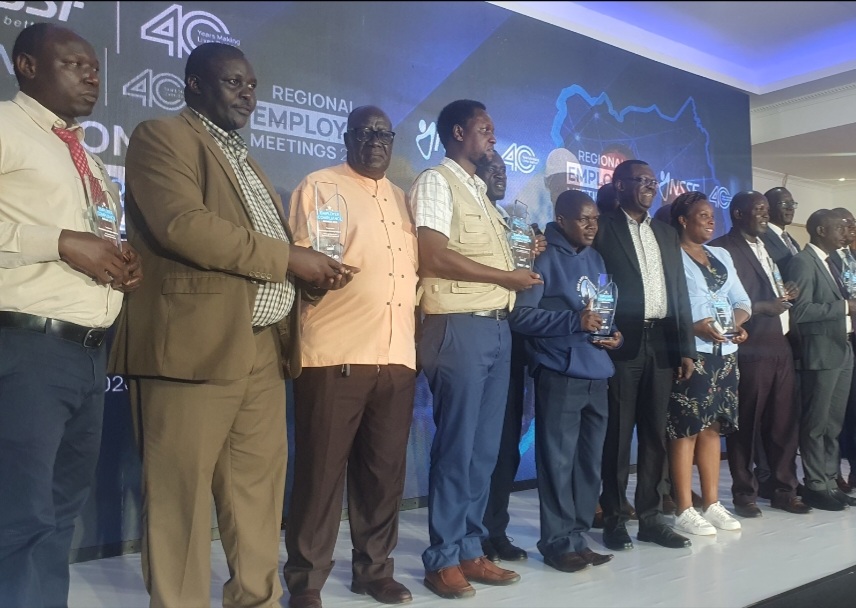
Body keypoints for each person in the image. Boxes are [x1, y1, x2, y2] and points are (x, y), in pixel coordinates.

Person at [110, 42, 355, 608]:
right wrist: (290, 259)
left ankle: (256, 600)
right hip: (192, 348)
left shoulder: (246, 159)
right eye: (232, 82)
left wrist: (308, 277)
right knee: (179, 499)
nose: (247, 95)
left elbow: (261, 251)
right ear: (194, 84)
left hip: (262, 350)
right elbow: (183, 225)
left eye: (251, 85)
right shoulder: (161, 136)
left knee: (257, 496)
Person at [0, 23, 142, 608]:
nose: (92, 76)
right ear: (27, 66)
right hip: (27, 348)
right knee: (19, 516)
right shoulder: (5, 128)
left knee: (60, 515)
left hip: (87, 356)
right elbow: (62, 240)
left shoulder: (86, 154)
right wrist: (58, 241)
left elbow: (94, 237)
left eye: (95, 67)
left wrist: (118, 260)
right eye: (74, 65)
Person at [282, 105, 417, 608]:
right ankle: (306, 582)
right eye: (365, 132)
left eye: (384, 134)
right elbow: (301, 262)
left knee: (384, 476)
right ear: (347, 138)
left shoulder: (403, 200)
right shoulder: (319, 186)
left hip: (397, 355)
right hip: (334, 354)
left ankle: (374, 571)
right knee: (319, 477)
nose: (375, 141)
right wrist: (319, 277)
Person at [410, 99, 543, 600]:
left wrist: (522, 258)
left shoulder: (482, 194)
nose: (493, 135)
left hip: (496, 328)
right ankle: (442, 558)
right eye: (484, 127)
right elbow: (432, 255)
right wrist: (505, 276)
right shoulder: (436, 181)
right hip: (458, 325)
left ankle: (470, 549)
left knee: (484, 450)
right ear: (457, 132)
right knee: (457, 447)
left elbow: (491, 259)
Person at [509, 189, 621, 572]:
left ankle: (577, 537)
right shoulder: (541, 256)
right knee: (557, 463)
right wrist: (574, 321)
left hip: (597, 371)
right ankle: (556, 543)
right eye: (584, 219)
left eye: (595, 219)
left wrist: (613, 334)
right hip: (559, 372)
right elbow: (521, 316)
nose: (592, 226)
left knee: (589, 463)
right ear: (561, 220)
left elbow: (601, 312)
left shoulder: (596, 257)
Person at [591, 159, 696, 551]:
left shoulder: (666, 233)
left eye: (654, 181)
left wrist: (685, 348)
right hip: (621, 344)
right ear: (619, 185)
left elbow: (679, 292)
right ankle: (615, 518)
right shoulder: (603, 227)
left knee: (654, 435)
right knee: (618, 436)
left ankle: (651, 519)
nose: (651, 186)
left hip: (663, 344)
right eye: (642, 180)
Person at [709, 191, 809, 517]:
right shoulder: (722, 249)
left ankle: (784, 489)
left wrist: (786, 292)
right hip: (749, 346)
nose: (766, 215)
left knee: (783, 425)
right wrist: (763, 306)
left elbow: (770, 289)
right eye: (759, 210)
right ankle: (744, 494)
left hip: (780, 344)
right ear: (738, 214)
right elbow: (718, 302)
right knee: (746, 427)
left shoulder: (765, 247)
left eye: (767, 210)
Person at [666, 192, 750, 536]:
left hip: (725, 354)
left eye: (712, 215)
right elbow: (666, 306)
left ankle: (712, 503)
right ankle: (684, 508)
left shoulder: (721, 255)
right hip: (693, 353)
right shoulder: (670, 254)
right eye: (703, 215)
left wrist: (736, 325)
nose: (711, 220)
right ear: (683, 220)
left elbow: (741, 300)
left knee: (713, 427)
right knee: (686, 429)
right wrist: (692, 327)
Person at [475, 154, 530, 564]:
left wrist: (532, 253)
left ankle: (496, 529)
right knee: (475, 446)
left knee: (506, 447)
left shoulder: (514, 224)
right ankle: (470, 533)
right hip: (475, 336)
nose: (499, 175)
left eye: (504, 170)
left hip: (512, 342)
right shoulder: (470, 220)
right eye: (491, 168)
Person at [788, 210, 856, 511]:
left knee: (833, 424)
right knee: (816, 424)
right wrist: (844, 306)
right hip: (820, 352)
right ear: (820, 230)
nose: (844, 233)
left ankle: (830, 481)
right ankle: (815, 484)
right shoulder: (803, 262)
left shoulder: (833, 262)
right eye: (838, 228)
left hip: (841, 348)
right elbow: (800, 311)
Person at [831, 208, 856, 492]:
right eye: (845, 225)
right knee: (838, 415)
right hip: (838, 341)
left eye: (852, 225)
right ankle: (834, 473)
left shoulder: (852, 257)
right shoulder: (827, 259)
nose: (850, 230)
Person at [761, 187, 801, 269]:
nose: (790, 208)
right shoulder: (761, 237)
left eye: (792, 203)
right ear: (769, 208)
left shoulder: (792, 241)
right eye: (784, 204)